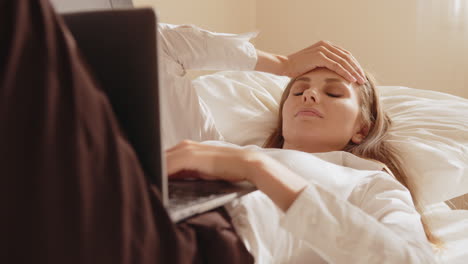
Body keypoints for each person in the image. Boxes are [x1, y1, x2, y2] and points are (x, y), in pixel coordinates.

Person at [1, 0, 436, 263]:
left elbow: (409, 260)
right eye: (298, 89)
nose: (307, 96)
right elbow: (160, 46)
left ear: (362, 129)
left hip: (193, 247)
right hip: (122, 201)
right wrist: (281, 65)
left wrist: (254, 168)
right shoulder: (217, 145)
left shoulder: (368, 183)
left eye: (333, 93)